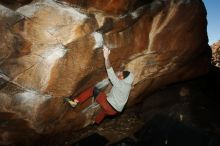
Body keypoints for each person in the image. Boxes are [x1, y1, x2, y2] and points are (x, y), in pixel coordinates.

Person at [64, 45, 134, 124]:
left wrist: (106, 57)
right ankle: (96, 121)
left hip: (108, 106)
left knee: (93, 90)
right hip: (114, 112)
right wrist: (119, 75)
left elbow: (111, 74)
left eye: (121, 75)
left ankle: (75, 102)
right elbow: (119, 84)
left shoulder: (122, 85)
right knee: (106, 106)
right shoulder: (127, 86)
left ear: (125, 79)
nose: (120, 75)